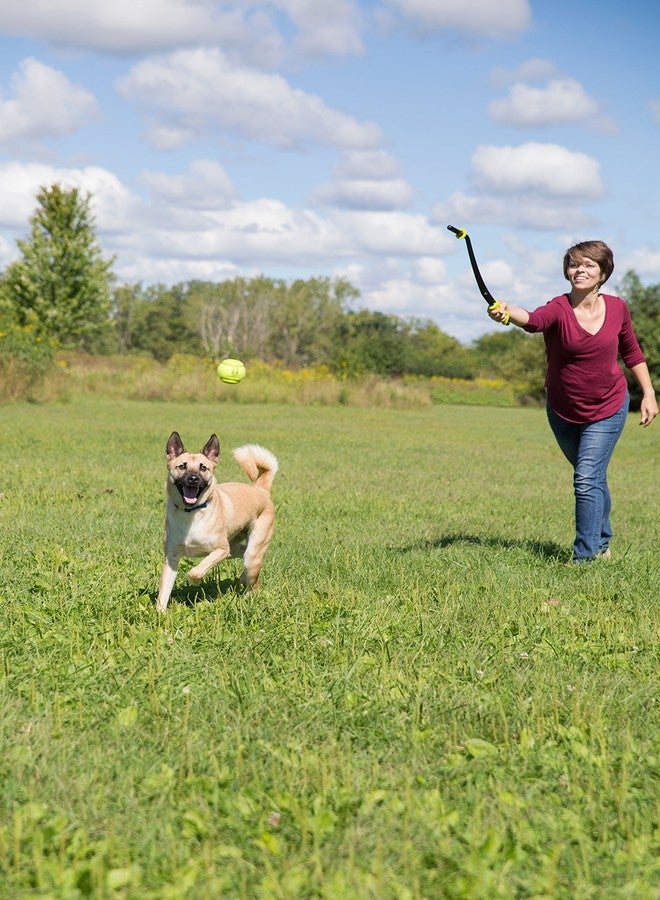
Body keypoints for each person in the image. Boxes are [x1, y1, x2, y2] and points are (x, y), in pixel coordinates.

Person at [488, 240, 658, 563]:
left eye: (588, 265)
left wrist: (648, 393)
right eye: (574, 264)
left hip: (608, 406)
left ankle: (584, 559)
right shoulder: (559, 308)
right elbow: (534, 320)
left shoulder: (619, 308)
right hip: (563, 410)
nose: (579, 270)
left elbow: (632, 351)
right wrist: (507, 313)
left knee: (585, 478)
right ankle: (603, 542)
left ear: (603, 272)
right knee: (591, 477)